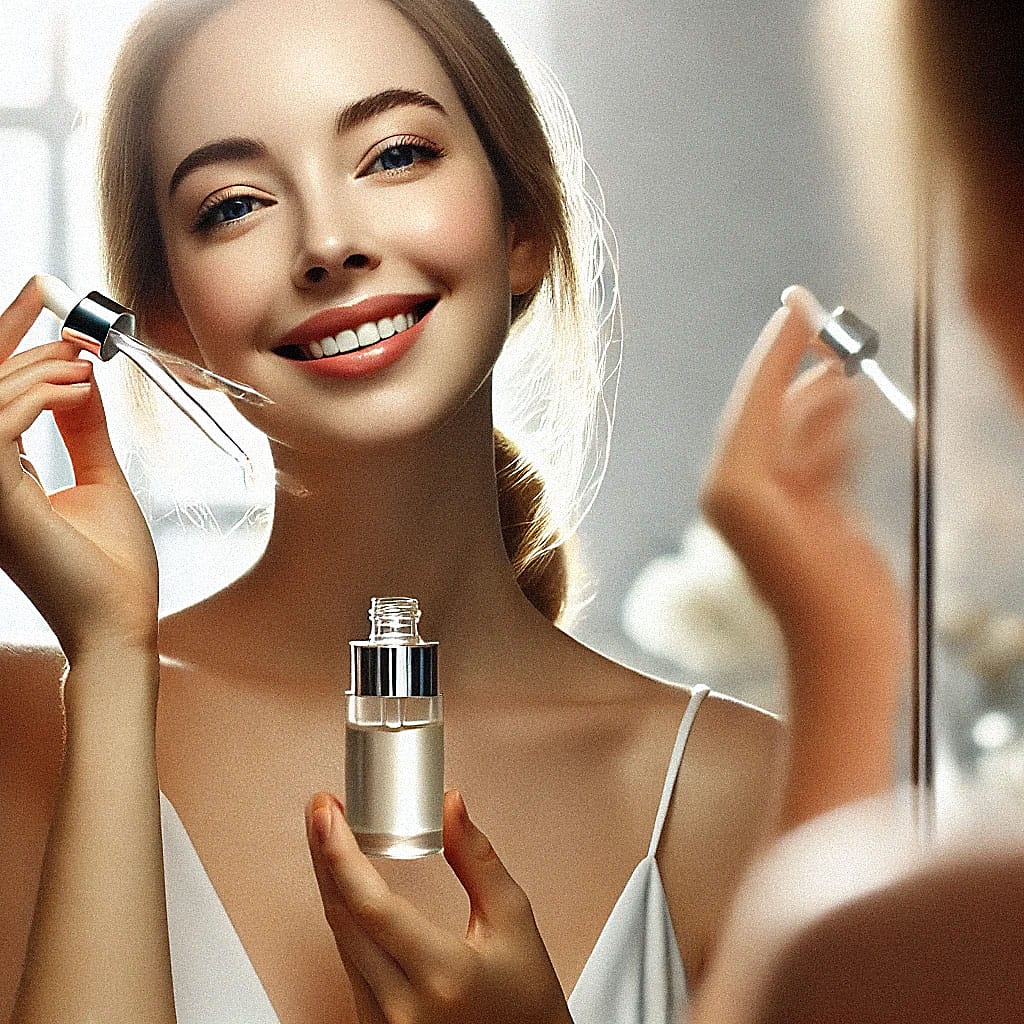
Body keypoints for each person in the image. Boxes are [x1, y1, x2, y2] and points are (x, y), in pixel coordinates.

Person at [0, 1, 902, 1022]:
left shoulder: (735, 790)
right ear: (168, 323)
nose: (329, 242)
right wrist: (109, 658)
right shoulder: (26, 728)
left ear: (524, 227)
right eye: (235, 205)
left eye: (392, 154)